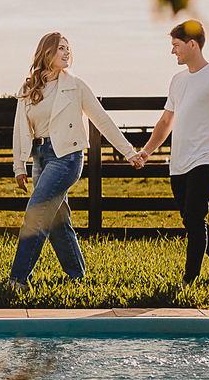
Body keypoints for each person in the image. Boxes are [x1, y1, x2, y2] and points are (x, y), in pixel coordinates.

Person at [8, 32, 140, 290]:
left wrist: (128, 152)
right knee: (57, 221)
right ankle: (77, 276)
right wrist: (19, 165)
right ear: (47, 53)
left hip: (66, 158)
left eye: (68, 49)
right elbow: (19, 128)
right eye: (61, 49)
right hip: (40, 158)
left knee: (36, 215)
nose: (67, 53)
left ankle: (18, 280)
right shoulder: (28, 89)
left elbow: (102, 120)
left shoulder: (76, 86)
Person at [130, 20, 209, 288]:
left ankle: (188, 280)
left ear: (193, 44)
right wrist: (146, 151)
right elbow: (165, 122)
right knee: (194, 220)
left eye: (176, 46)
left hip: (205, 161)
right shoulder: (177, 81)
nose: (173, 52)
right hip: (178, 163)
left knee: (193, 218)